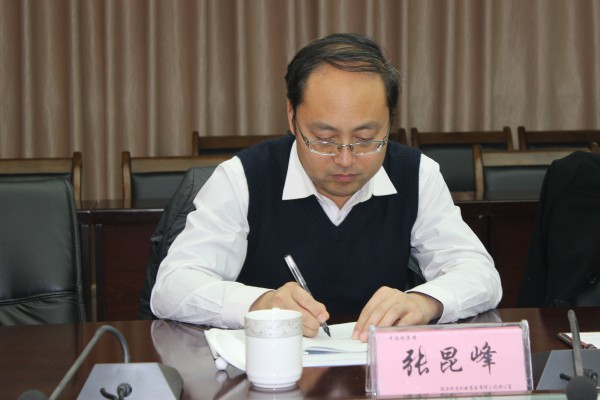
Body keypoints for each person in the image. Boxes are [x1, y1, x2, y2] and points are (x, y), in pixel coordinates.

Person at [151, 33, 501, 341]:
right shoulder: (242, 177)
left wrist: (425, 302)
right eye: (323, 138)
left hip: (376, 373)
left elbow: (479, 273)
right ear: (292, 117)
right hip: (269, 373)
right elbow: (171, 288)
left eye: (366, 139)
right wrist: (259, 303)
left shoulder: (417, 174)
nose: (345, 159)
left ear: (390, 122)